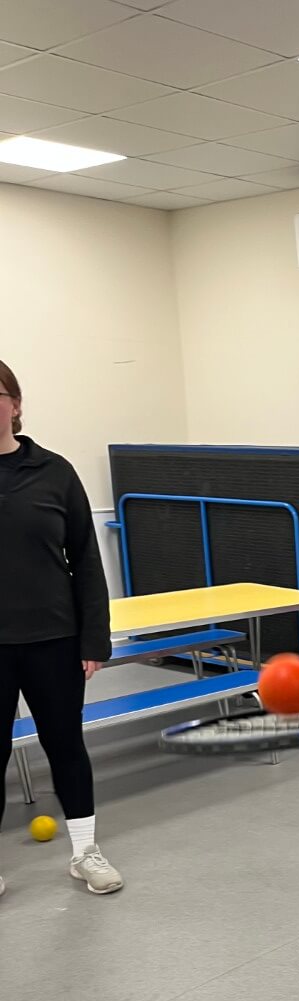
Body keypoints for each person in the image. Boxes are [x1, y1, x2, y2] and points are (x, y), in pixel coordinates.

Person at [0, 360, 123, 897]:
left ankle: (85, 852)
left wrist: (94, 638)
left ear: (15, 404)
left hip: (53, 638)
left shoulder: (54, 472)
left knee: (65, 745)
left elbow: (87, 560)